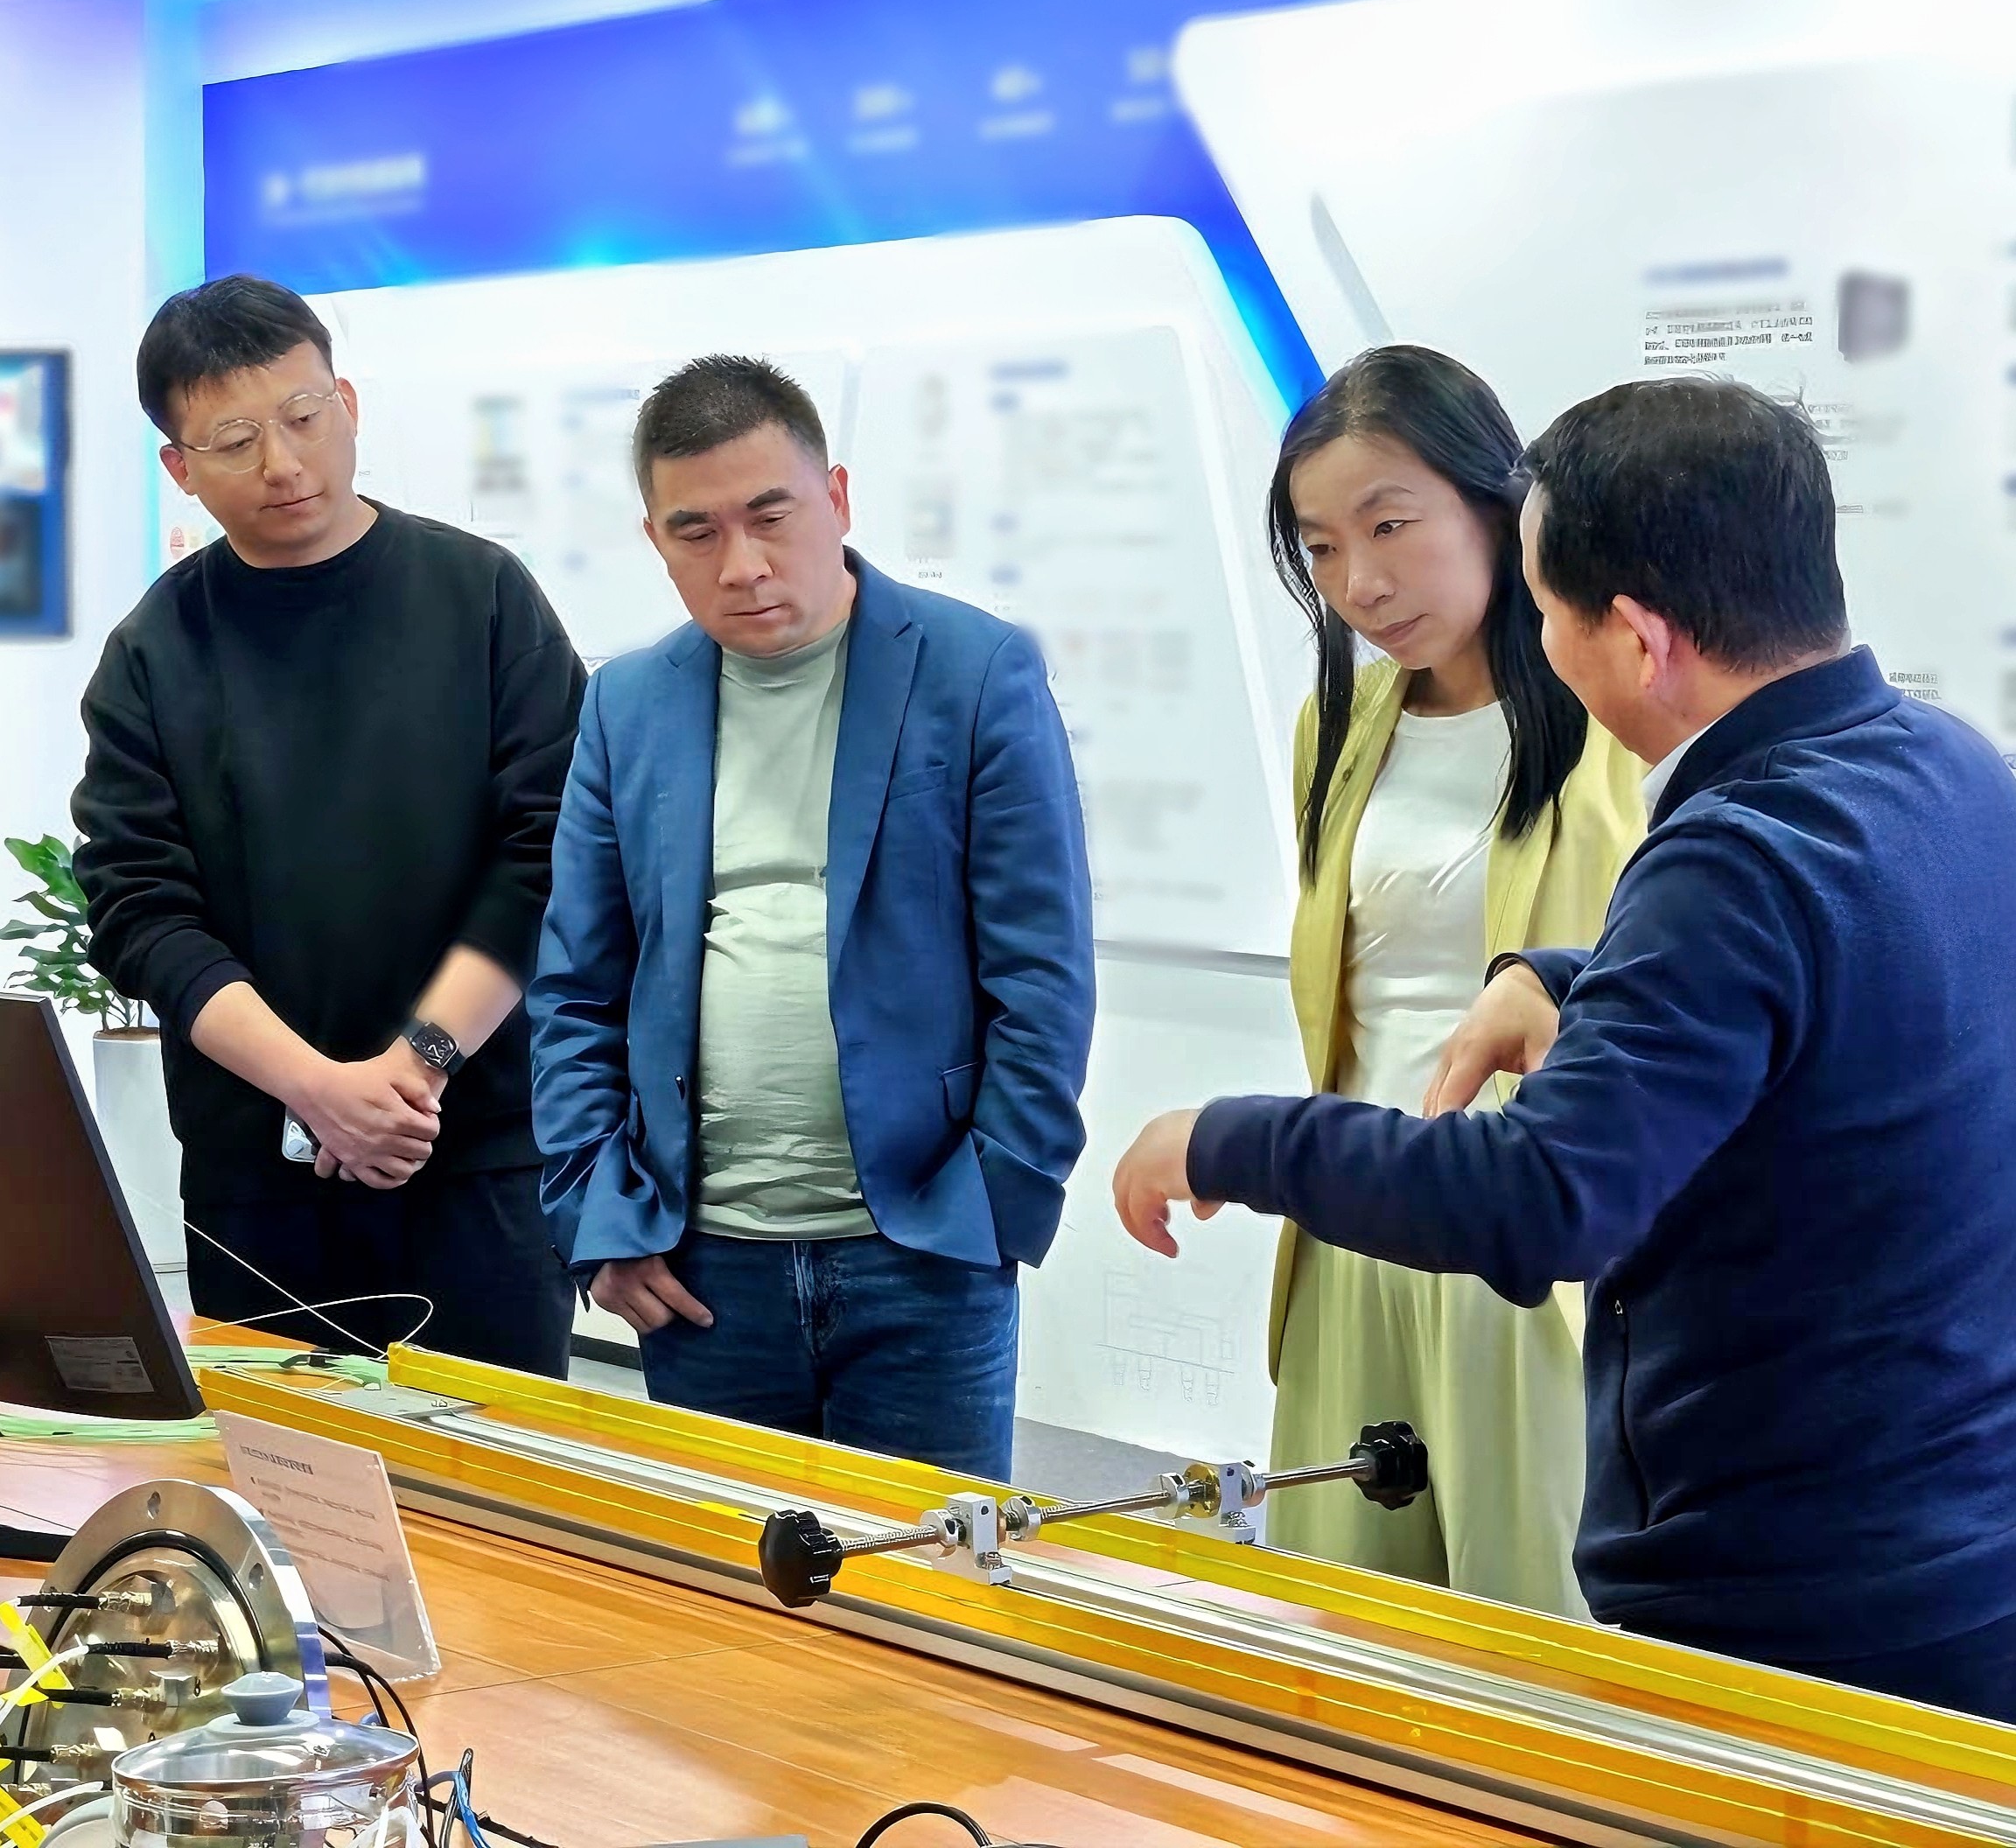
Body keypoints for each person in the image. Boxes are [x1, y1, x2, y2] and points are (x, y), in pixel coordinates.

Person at [1113, 377, 2016, 1718]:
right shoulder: (1949, 765)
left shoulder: (1729, 849)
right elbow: (1813, 1011)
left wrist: (1228, 1140)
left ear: (1638, 639)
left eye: (1548, 610)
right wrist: (1563, 979)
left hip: (1791, 1588)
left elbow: (1543, 1198)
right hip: (1952, 1532)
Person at [528, 354, 1095, 1480]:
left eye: (770, 516)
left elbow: (1042, 976)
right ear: (656, 541)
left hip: (921, 1249)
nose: (741, 564)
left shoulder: (974, 671)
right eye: (697, 532)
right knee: (727, 1583)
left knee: (926, 1579)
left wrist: (989, 1208)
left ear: (835, 497)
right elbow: (578, 987)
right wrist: (600, 1218)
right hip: (701, 1265)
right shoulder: (627, 703)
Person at [74, 276, 584, 1373]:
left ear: (346, 403)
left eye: (304, 417)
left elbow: (546, 857)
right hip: (258, 1180)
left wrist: (418, 1066)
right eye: (235, 441)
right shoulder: (154, 653)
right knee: (287, 1469)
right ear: (180, 466)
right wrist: (317, 1089)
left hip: (474, 1157)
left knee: (491, 1469)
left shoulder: (485, 597)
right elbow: (139, 910)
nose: (283, 463)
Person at [1253, 347, 1641, 1612]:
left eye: (1390, 524)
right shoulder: (1340, 727)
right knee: (1338, 1610)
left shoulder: (1614, 725)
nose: (1359, 583)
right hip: (1355, 1214)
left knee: (1534, 1614)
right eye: (1320, 547)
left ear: (1496, 502)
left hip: (1528, 1245)